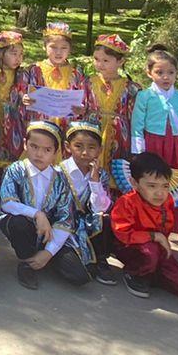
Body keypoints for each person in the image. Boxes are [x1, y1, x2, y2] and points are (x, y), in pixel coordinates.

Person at [130, 44, 178, 261]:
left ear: (177, 73)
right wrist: (138, 155)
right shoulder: (145, 96)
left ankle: (165, 232)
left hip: (176, 148)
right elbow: (137, 126)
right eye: (160, 72)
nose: (166, 77)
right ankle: (147, 233)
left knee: (170, 189)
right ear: (149, 73)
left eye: (170, 72)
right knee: (150, 186)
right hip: (153, 146)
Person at [0, 121, 88, 289]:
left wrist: (48, 252)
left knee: (79, 276)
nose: (39, 154)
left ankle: (43, 259)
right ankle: (26, 262)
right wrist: (38, 214)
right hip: (25, 227)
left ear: (56, 152)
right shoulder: (16, 169)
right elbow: (7, 202)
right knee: (18, 223)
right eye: (34, 147)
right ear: (25, 144)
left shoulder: (61, 179)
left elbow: (65, 219)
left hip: (49, 235)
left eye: (47, 150)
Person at [111, 153, 178, 303]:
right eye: (151, 186)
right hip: (130, 247)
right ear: (134, 183)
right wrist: (154, 237)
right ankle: (134, 274)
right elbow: (123, 234)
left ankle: (151, 272)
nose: (159, 193)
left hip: (156, 248)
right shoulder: (127, 202)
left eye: (165, 186)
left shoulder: (167, 201)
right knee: (150, 253)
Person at [62, 122, 118, 285]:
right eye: (78, 146)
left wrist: (94, 181)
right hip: (62, 222)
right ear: (68, 147)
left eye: (92, 147)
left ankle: (101, 259)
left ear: (100, 150)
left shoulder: (101, 175)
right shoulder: (59, 171)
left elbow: (100, 207)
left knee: (105, 218)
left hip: (86, 223)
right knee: (78, 272)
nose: (85, 153)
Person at [21, 21, 92, 129]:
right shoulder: (34, 70)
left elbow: (83, 99)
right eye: (53, 47)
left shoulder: (76, 73)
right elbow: (22, 92)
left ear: (70, 49)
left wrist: (81, 108)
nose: (58, 52)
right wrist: (25, 98)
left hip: (67, 125)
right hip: (40, 126)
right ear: (44, 47)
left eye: (64, 48)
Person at [87, 33, 138, 163]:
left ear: (120, 62)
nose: (100, 64)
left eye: (105, 61)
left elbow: (135, 117)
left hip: (119, 136)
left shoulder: (131, 88)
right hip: (93, 131)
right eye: (96, 59)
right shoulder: (87, 83)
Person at [0, 29, 28, 166]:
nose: (18, 58)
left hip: (12, 120)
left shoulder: (21, 74)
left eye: (21, 54)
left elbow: (22, 93)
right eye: (14, 54)